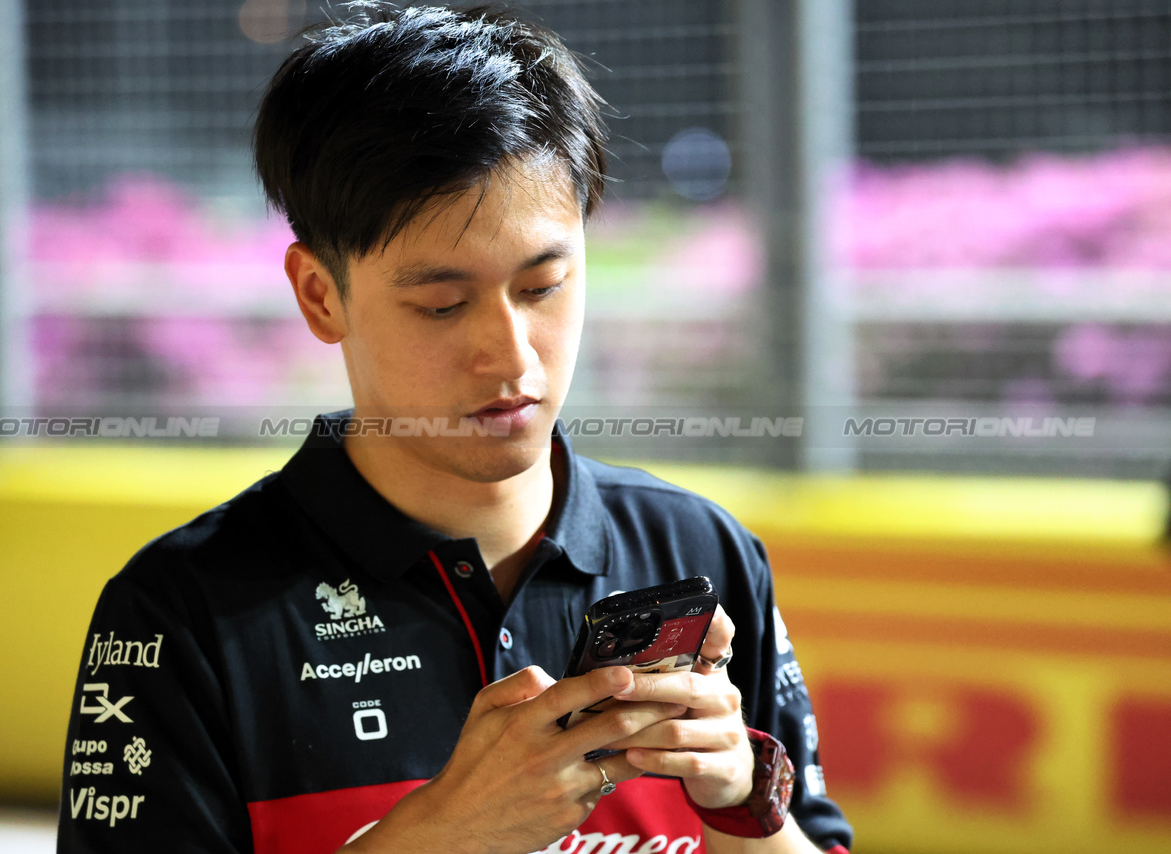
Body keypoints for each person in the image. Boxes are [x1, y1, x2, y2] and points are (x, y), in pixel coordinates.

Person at [56, 4, 853, 853]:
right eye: (442, 304)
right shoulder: (180, 613)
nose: (511, 356)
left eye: (544, 287)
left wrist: (738, 802)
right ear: (320, 295)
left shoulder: (701, 552)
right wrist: (439, 837)